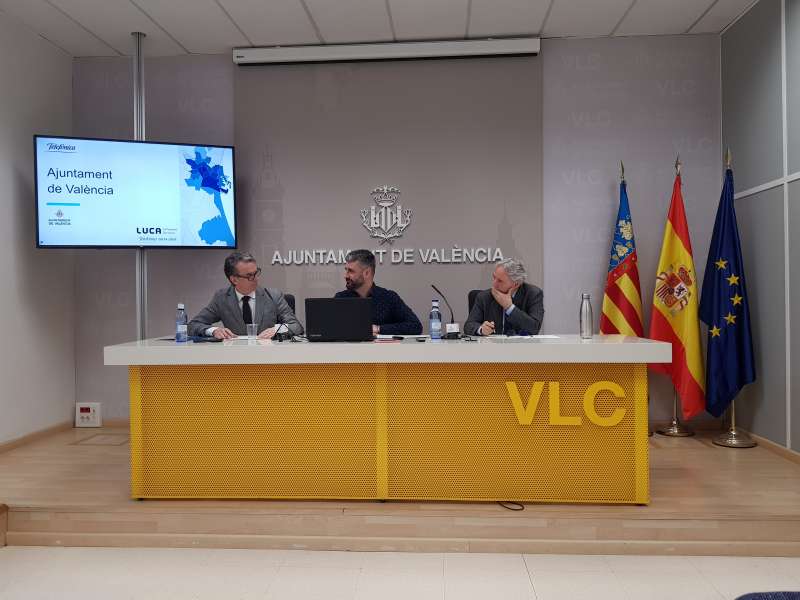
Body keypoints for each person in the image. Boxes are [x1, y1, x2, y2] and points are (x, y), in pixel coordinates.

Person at [188, 251, 303, 339]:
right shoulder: (222, 298)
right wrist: (214, 331)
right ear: (234, 279)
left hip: (268, 355)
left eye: (256, 273)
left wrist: (277, 329)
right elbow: (193, 325)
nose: (256, 279)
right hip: (236, 357)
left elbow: (296, 326)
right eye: (249, 276)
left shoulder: (273, 296)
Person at [334, 249, 422, 336]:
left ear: (367, 273)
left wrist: (379, 329)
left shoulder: (389, 298)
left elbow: (415, 326)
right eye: (346, 270)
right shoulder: (340, 298)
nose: (345, 275)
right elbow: (330, 330)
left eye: (351, 271)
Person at [464, 258, 543, 336]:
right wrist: (481, 329)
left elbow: (534, 328)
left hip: (521, 344)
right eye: (494, 277)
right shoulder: (484, 297)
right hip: (492, 344)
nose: (494, 284)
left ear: (516, 284)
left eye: (500, 281)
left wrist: (510, 307)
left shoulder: (533, 294)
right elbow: (469, 325)